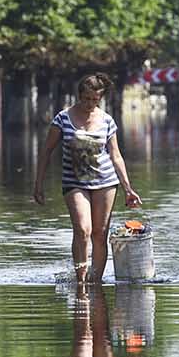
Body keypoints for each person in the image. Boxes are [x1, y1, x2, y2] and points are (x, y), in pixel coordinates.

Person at [32, 72, 142, 283]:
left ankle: (96, 282)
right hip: (74, 183)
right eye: (86, 98)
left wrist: (128, 188)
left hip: (106, 182)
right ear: (79, 95)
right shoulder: (62, 119)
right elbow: (46, 151)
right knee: (83, 229)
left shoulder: (107, 121)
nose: (90, 103)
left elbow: (116, 156)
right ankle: (81, 280)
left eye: (95, 99)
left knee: (100, 234)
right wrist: (38, 184)